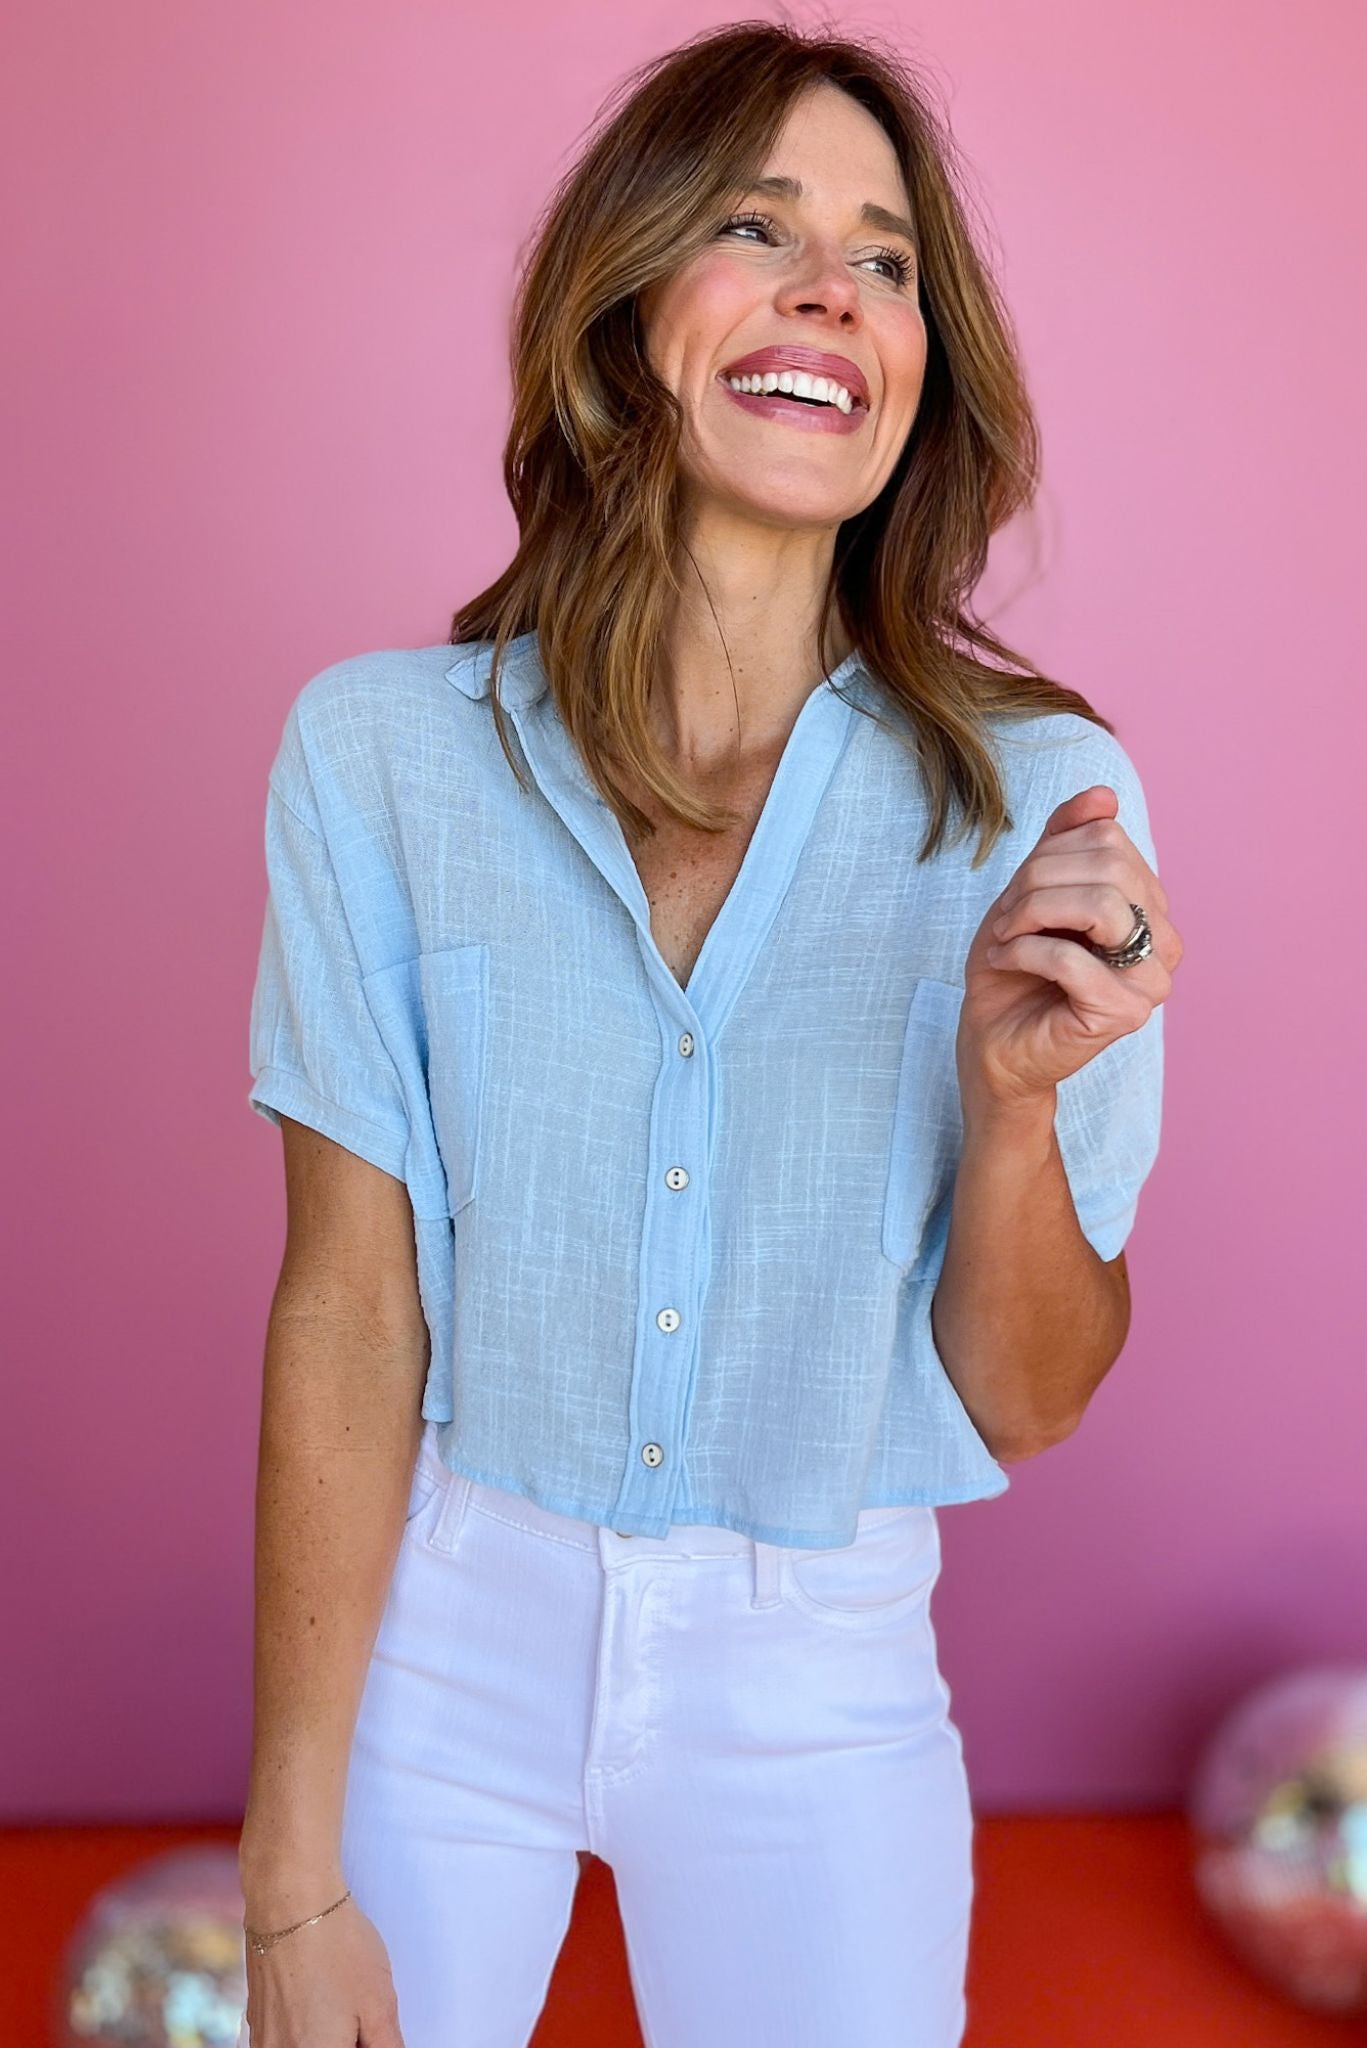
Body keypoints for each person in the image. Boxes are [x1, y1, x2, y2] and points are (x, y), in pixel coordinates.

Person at [236, 22, 1182, 2048]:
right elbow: (347, 1307)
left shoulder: (1040, 801)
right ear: (628, 312)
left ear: (918, 367)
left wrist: (1010, 1108)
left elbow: (1029, 1401)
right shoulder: (380, 760)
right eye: (760, 230)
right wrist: (288, 1850)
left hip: (817, 1670)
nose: (838, 289)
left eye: (890, 258)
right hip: (441, 1638)